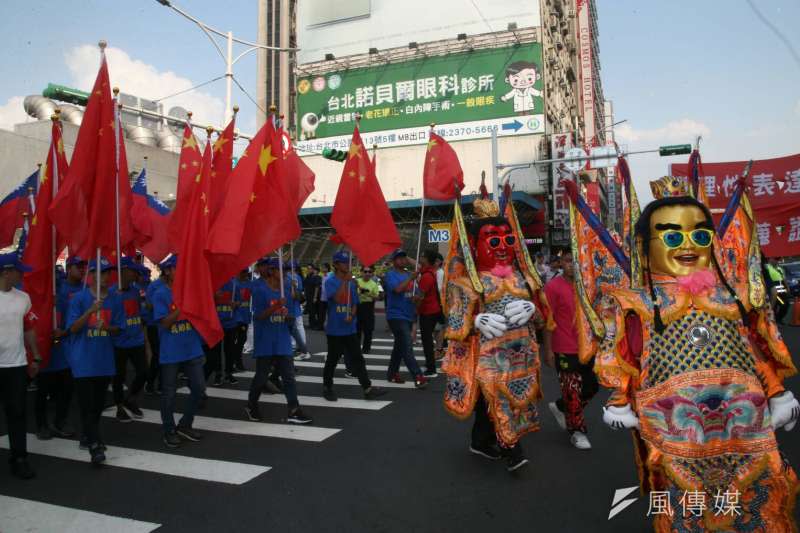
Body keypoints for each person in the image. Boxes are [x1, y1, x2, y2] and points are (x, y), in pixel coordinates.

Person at [585, 177, 799, 531]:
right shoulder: (634, 303)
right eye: (672, 236)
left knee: (754, 502)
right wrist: (619, 398)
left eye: (699, 235)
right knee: (686, 505)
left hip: (743, 427)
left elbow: (753, 351)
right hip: (675, 431)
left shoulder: (736, 295)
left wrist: (778, 392)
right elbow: (627, 357)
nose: (688, 245)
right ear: (645, 245)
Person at [441, 195, 551, 472]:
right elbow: (453, 321)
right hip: (488, 358)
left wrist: (531, 308)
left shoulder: (525, 277)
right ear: (476, 247)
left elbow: (542, 317)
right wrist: (476, 319)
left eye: (508, 240)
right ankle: (512, 449)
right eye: (493, 240)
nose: (502, 247)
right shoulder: (466, 282)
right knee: (499, 400)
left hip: (523, 357)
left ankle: (480, 441)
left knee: (492, 404)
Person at [66, 257, 123, 465]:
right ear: (90, 276)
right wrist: (90, 312)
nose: (106, 277)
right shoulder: (79, 299)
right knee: (88, 405)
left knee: (98, 405)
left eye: (107, 272)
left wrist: (106, 327)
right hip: (83, 360)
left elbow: (119, 328)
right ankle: (95, 445)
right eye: (101, 273)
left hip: (104, 360)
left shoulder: (115, 300)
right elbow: (71, 329)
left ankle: (88, 435)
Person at [245, 257, 312, 424]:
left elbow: (287, 313)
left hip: (282, 338)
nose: (285, 273)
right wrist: (276, 307)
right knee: (261, 376)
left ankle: (294, 409)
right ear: (272, 271)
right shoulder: (260, 289)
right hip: (265, 338)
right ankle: (251, 404)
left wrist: (287, 316)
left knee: (288, 376)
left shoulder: (286, 289)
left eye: (286, 270)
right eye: (281, 270)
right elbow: (259, 316)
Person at [543, 251, 598, 450]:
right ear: (560, 263)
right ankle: (577, 431)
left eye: (577, 261)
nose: (572, 265)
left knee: (592, 387)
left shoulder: (588, 286)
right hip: (564, 347)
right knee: (572, 390)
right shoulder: (552, 287)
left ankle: (561, 406)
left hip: (587, 347)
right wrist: (548, 350)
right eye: (568, 261)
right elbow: (547, 320)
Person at [151, 255, 206, 448]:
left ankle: (185, 424)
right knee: (169, 393)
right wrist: (181, 308)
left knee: (199, 388)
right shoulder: (160, 294)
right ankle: (169, 430)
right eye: (177, 268)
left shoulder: (190, 291)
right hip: (171, 351)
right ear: (167, 271)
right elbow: (164, 323)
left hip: (192, 348)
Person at [322, 251, 386, 402]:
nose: (347, 265)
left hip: (350, 328)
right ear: (336, 265)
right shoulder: (330, 281)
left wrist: (352, 314)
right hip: (335, 328)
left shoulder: (351, 282)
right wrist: (345, 280)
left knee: (358, 358)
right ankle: (327, 387)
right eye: (344, 263)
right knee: (333, 359)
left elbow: (355, 303)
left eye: (347, 262)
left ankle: (367, 388)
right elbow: (337, 298)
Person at [0, 253, 42, 479]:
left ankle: (19, 458)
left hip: (15, 364)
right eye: (19, 270)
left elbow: (28, 328)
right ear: (6, 272)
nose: (22, 274)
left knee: (17, 412)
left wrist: (35, 356)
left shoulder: (23, 298)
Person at [35, 256, 84, 440]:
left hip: (66, 349)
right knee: (43, 390)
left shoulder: (76, 292)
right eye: (78, 266)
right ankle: (41, 425)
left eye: (83, 266)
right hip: (46, 349)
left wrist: (63, 332)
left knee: (66, 389)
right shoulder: (50, 293)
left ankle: (60, 421)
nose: (81, 269)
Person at [109, 257, 150, 423]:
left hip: (136, 340)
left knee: (143, 372)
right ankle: (119, 406)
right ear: (124, 271)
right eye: (133, 271)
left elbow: (139, 315)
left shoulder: (135, 291)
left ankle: (131, 398)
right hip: (118, 342)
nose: (136, 274)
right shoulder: (111, 293)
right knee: (119, 376)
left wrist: (145, 340)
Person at [384, 249, 427, 388]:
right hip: (396, 315)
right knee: (407, 346)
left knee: (399, 347)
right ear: (393, 261)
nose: (402, 260)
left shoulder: (411, 274)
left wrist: (417, 299)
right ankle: (418, 376)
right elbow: (396, 290)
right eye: (399, 258)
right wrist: (410, 278)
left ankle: (392, 373)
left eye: (404, 258)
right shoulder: (390, 275)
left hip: (409, 315)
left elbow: (419, 296)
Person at [206, 278, 239, 386]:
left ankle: (229, 373)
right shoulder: (213, 284)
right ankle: (218, 374)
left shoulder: (234, 284)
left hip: (231, 323)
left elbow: (240, 301)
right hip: (216, 323)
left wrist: (235, 304)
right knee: (216, 351)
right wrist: (214, 297)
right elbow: (206, 301)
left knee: (230, 350)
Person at [417, 249, 444, 377]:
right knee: (428, 339)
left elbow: (420, 296)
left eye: (422, 256)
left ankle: (431, 368)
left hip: (428, 311)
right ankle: (430, 364)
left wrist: (414, 306)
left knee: (426, 340)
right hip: (432, 310)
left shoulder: (427, 276)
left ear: (427, 259)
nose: (420, 257)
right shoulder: (429, 273)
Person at [143, 263, 165, 395]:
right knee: (157, 356)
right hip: (154, 325)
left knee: (167, 355)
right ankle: (150, 383)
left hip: (167, 326)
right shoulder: (154, 286)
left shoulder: (174, 286)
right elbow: (149, 305)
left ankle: (163, 384)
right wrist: (162, 306)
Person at [286, 260, 311, 360]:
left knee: (297, 328)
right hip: (293, 307)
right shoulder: (297, 277)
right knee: (296, 328)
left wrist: (294, 288)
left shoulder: (293, 278)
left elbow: (298, 294)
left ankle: (302, 349)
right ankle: (300, 348)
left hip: (292, 307)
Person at [231, 269, 252, 372]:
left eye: (246, 271)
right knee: (234, 341)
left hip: (245, 316)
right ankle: (235, 362)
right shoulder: (233, 283)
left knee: (242, 340)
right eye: (243, 271)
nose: (245, 274)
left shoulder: (250, 284)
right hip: (235, 317)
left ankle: (237, 361)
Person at [356, 265, 380, 354]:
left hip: (368, 307)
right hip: (357, 306)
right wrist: (359, 290)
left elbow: (377, 298)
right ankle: (355, 347)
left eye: (369, 272)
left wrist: (367, 293)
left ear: (372, 273)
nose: (367, 273)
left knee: (368, 330)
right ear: (361, 272)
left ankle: (366, 348)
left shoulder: (374, 284)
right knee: (356, 329)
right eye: (365, 272)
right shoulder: (356, 281)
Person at [304, 265, 322, 330]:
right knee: (310, 311)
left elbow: (317, 287)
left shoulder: (316, 277)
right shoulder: (307, 277)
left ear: (313, 269)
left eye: (310, 269)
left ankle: (314, 325)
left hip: (313, 296)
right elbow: (305, 286)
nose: (308, 270)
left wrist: (315, 297)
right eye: (307, 268)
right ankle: (311, 324)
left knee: (313, 311)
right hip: (308, 296)